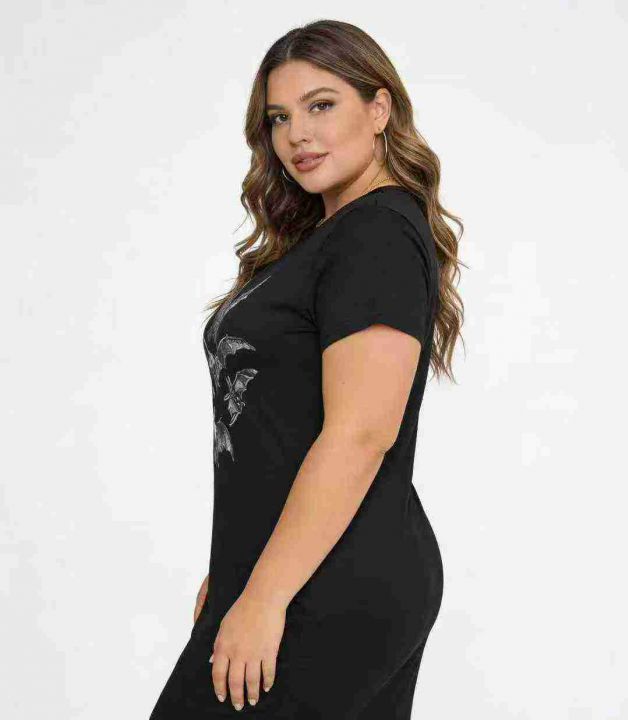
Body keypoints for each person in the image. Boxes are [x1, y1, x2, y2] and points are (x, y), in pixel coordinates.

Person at [149, 18, 465, 720]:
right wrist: (237, 571)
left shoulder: (377, 232)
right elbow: (278, 429)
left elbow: (361, 433)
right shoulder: (326, 240)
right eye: (279, 117)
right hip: (304, 570)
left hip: (331, 578)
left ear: (378, 109)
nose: (297, 135)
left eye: (321, 105)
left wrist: (264, 595)